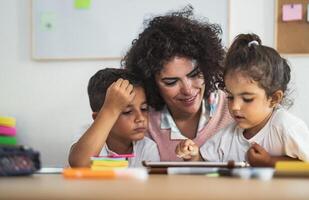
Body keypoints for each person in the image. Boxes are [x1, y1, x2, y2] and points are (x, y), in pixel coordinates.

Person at [175, 33, 309, 166]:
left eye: (247, 99)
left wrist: (269, 162)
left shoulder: (286, 127)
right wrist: (193, 156)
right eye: (230, 97)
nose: (235, 106)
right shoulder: (227, 136)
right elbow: (204, 166)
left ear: (274, 98)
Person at [122, 6, 233, 161]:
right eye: (171, 82)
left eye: (195, 74)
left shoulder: (234, 105)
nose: (188, 90)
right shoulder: (142, 119)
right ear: (152, 84)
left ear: (207, 67)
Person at [68, 68, 160, 167]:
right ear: (99, 118)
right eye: (127, 112)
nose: (140, 118)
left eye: (144, 109)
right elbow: (79, 164)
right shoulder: (87, 135)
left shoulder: (147, 148)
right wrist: (109, 110)